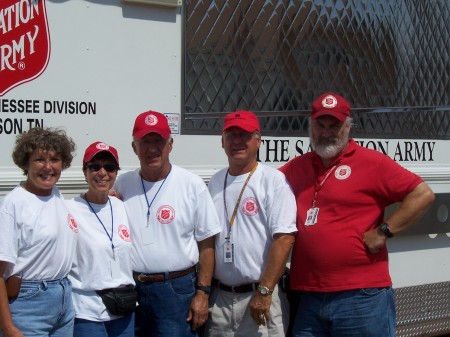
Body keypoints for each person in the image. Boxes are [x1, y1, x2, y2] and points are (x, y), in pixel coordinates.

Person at [279, 92, 436, 337]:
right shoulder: (297, 166)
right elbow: (261, 187)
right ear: (311, 127)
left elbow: (422, 194)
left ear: (348, 127)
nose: (327, 131)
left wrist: (385, 231)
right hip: (309, 296)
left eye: (335, 125)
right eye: (321, 124)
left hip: (361, 297)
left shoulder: (372, 162)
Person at [113, 110, 221, 337]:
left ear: (170, 144)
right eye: (145, 142)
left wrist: (202, 293)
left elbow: (207, 243)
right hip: (132, 289)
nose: (152, 149)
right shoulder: (123, 184)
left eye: (158, 141)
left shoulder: (191, 185)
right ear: (134, 147)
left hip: (176, 290)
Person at [205, 110, 297, 337]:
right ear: (222, 142)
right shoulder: (216, 181)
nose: (237, 141)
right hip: (221, 300)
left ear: (258, 141)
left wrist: (264, 293)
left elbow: (284, 239)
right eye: (231, 135)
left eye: (244, 135)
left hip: (260, 298)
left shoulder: (273, 181)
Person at [0, 127, 77, 337]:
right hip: (28, 306)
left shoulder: (55, 195)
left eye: (54, 159)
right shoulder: (13, 204)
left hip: (63, 302)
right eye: (39, 160)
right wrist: (8, 328)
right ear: (26, 163)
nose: (48, 167)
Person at [67, 142, 136, 337]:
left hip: (123, 309)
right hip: (87, 311)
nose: (102, 172)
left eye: (110, 167)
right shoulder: (69, 209)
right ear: (85, 172)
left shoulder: (122, 206)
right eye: (95, 167)